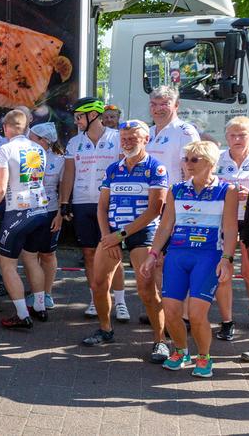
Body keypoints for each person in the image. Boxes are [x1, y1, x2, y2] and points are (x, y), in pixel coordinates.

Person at [140, 141, 235, 379]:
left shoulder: (228, 190)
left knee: (196, 313)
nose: (188, 164)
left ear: (210, 163)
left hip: (208, 256)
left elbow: (231, 229)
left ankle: (204, 356)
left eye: (195, 160)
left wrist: (227, 259)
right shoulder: (177, 189)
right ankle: (181, 352)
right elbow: (164, 226)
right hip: (178, 255)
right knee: (171, 310)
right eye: (186, 159)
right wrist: (153, 254)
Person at [85, 120, 169, 365]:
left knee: (147, 290)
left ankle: (160, 340)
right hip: (111, 232)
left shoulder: (156, 167)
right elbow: (101, 207)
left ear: (145, 140)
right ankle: (105, 329)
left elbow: (155, 210)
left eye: (133, 138)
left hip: (142, 233)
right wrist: (106, 236)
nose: (127, 142)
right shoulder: (113, 168)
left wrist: (120, 236)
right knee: (99, 283)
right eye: (124, 138)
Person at [60, 97, 129, 320]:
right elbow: (69, 174)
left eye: (79, 117)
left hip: (109, 204)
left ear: (93, 116)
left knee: (113, 253)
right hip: (82, 202)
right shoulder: (74, 142)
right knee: (89, 253)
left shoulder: (117, 139)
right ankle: (95, 297)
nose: (76, 121)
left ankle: (120, 302)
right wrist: (64, 202)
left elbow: (122, 172)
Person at [0, 110, 50, 330]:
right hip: (40, 209)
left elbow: (0, 188)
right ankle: (41, 307)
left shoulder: (5, 149)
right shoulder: (37, 148)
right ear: (25, 128)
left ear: (6, 127)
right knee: (32, 259)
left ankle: (22, 314)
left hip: (17, 212)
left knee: (7, 264)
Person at [215, 116, 249, 340]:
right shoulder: (217, 159)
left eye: (242, 135)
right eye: (232, 135)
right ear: (226, 137)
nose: (237, 139)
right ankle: (227, 321)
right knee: (223, 272)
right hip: (224, 220)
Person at [24, 123, 64, 311]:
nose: (26, 138)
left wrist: (60, 214)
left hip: (50, 211)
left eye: (30, 136)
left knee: (47, 254)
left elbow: (63, 189)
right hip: (28, 210)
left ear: (43, 140)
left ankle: (46, 293)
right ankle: (35, 292)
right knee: (30, 254)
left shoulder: (60, 160)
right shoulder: (25, 155)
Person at [146, 85, 200, 182]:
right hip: (148, 193)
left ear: (176, 105)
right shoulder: (148, 131)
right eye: (153, 104)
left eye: (164, 104)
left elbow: (191, 171)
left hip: (172, 194)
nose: (158, 109)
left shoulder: (185, 132)